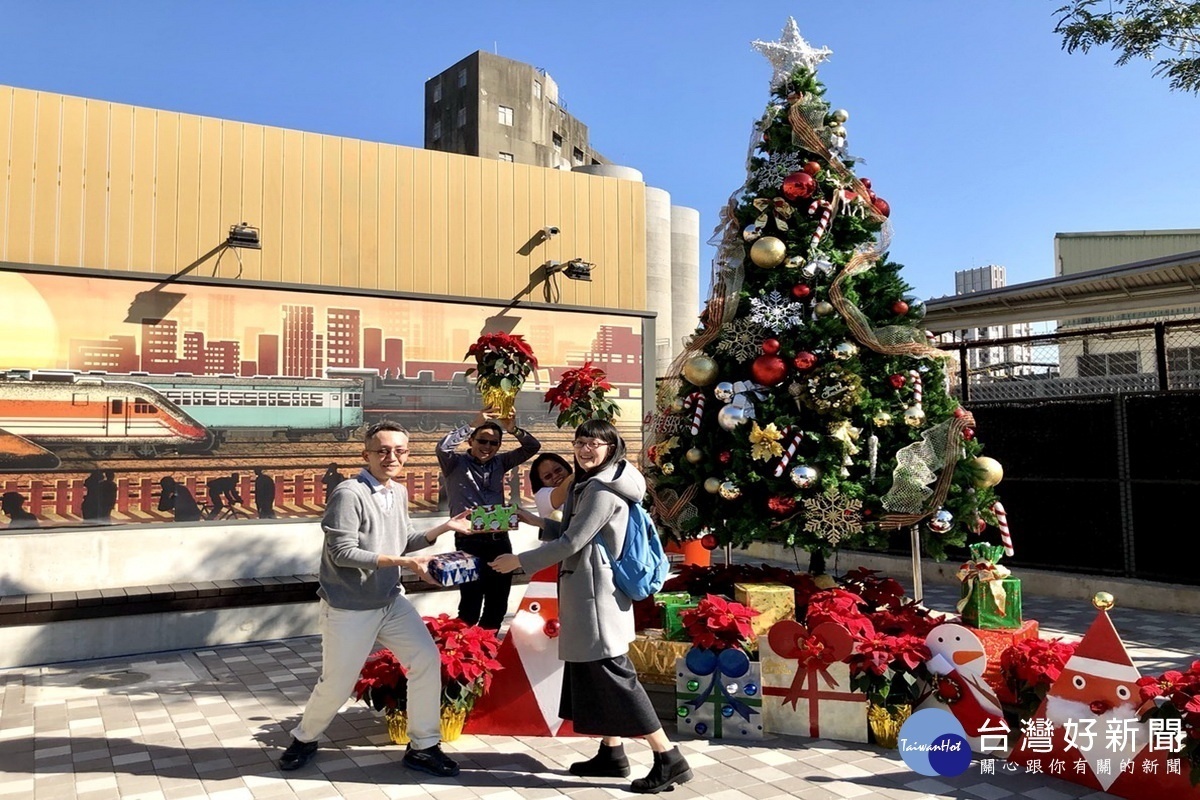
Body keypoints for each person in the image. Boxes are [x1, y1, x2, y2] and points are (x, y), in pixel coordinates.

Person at [490, 420, 693, 794]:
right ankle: (612, 753)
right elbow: (574, 533)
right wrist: (534, 519)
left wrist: (518, 561)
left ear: (612, 446)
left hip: (596, 598)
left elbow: (572, 543)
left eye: (595, 443)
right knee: (593, 675)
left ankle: (669, 758)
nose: (585, 449)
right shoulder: (595, 481)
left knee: (615, 676)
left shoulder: (602, 489)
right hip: (588, 591)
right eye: (580, 441)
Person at [278, 420, 475, 775]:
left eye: (399, 451)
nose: (391, 457)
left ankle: (423, 747)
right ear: (365, 454)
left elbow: (404, 541)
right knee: (337, 683)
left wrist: (443, 528)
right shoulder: (348, 493)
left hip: (389, 601)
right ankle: (304, 738)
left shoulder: (396, 492)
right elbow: (342, 553)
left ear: (407, 455)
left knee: (426, 660)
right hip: (350, 607)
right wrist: (404, 562)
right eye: (382, 450)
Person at [437, 410, 540, 630]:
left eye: (494, 443)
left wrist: (513, 429)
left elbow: (532, 447)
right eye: (482, 440)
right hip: (468, 541)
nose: (487, 446)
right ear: (471, 441)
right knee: (470, 606)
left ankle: (486, 653)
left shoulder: (501, 462)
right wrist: (472, 424)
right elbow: (442, 448)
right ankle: (466, 656)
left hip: (499, 540)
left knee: (497, 605)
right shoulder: (454, 463)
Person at [529, 452, 573, 520]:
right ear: (540, 482)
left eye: (558, 470)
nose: (555, 476)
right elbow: (561, 492)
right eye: (548, 476)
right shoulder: (541, 495)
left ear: (566, 467)